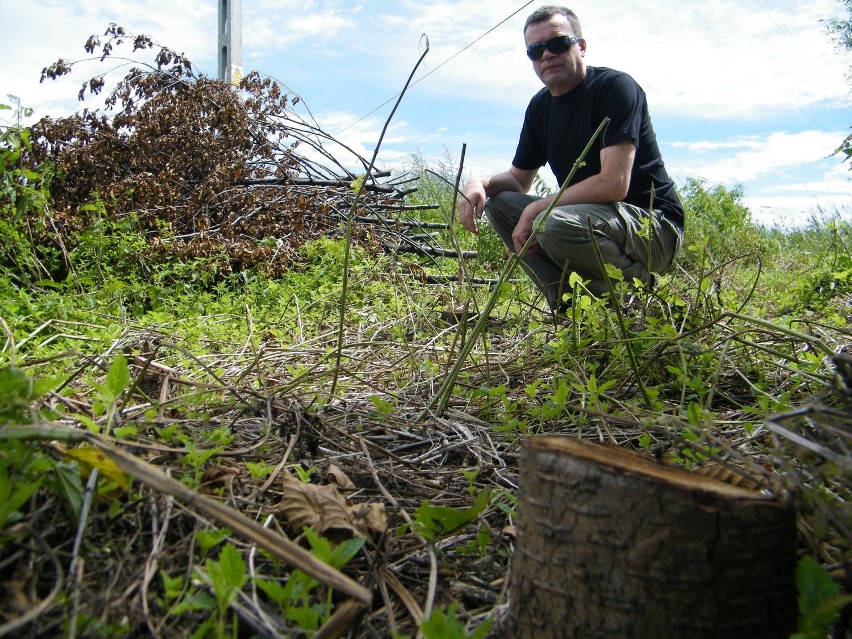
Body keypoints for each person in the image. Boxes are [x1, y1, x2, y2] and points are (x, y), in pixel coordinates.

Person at [458, 5, 684, 311]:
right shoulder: (540, 107)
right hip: (590, 221)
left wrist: (537, 209)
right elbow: (518, 180)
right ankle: (568, 308)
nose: (546, 55)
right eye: (535, 50)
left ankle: (644, 300)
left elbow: (613, 183)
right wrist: (479, 182)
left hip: (653, 226)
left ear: (581, 45)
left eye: (557, 43)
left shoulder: (615, 88)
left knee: (549, 222)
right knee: (501, 205)